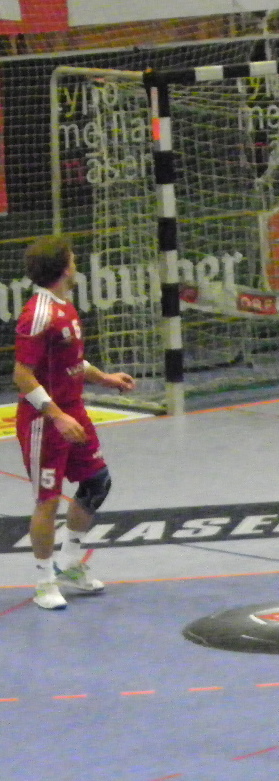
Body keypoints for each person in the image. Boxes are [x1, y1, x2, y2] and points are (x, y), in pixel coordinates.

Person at [12, 236, 136, 610]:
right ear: (64, 268)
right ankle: (44, 582)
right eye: (73, 258)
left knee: (98, 482)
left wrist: (105, 378)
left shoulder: (64, 307)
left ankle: (69, 563)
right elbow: (22, 375)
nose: (76, 261)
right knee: (47, 500)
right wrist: (57, 415)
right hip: (44, 420)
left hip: (72, 410)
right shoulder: (38, 314)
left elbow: (72, 362)